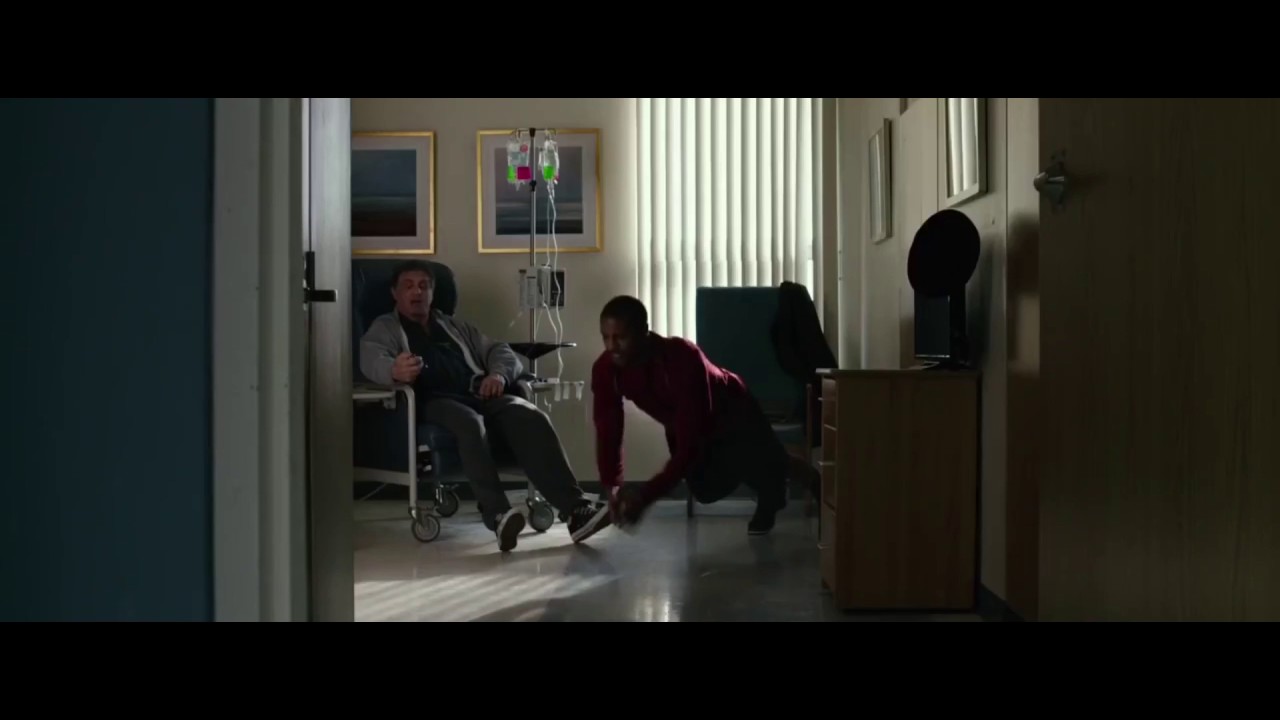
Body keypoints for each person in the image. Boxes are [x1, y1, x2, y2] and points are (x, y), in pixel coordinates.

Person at [359, 260, 611, 551]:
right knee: (468, 422)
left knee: (529, 414)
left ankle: (576, 511)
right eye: (408, 286)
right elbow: (371, 359)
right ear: (395, 293)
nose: (417, 292)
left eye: (423, 286)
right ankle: (498, 514)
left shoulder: (453, 326)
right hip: (433, 401)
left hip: (480, 393)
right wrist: (394, 369)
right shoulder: (385, 328)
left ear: (432, 292)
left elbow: (499, 350)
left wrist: (498, 375)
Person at [591, 295, 814, 535]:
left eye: (621, 337)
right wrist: (612, 487)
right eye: (606, 337)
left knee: (747, 461)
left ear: (644, 331)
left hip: (734, 412)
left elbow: (692, 443)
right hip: (683, 423)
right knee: (706, 490)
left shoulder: (681, 356)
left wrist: (645, 496)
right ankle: (772, 464)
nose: (611, 346)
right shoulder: (605, 369)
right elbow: (608, 430)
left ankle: (783, 476)